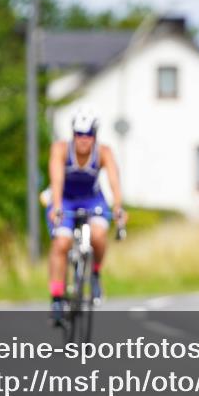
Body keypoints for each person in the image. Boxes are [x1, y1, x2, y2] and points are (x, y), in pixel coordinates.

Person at [46, 107, 126, 324]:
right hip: (65, 199)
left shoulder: (104, 152)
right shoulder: (61, 149)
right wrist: (55, 205)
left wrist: (118, 207)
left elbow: (113, 181)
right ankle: (56, 297)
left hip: (93, 199)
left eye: (88, 135)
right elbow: (56, 179)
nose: (83, 140)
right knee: (62, 243)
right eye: (79, 135)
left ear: (95, 136)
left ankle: (95, 274)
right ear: (73, 135)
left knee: (99, 236)